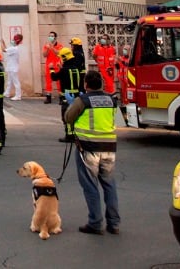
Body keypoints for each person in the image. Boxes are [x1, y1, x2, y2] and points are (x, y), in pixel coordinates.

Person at [64, 70, 121, 235]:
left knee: (90, 186)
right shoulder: (111, 100)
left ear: (86, 84)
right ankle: (114, 224)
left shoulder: (83, 100)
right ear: (101, 84)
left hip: (88, 148)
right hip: (109, 148)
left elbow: (68, 117)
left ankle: (95, 223)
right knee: (109, 185)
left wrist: (71, 104)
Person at [52, 46, 87, 142]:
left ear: (64, 58)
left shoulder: (64, 70)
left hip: (66, 97)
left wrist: (51, 69)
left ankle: (69, 135)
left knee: (66, 116)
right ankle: (75, 134)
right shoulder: (75, 69)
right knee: (75, 115)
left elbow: (54, 77)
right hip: (76, 96)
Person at [43, 32, 62, 104]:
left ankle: (61, 97)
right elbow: (44, 55)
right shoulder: (46, 46)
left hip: (57, 66)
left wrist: (52, 47)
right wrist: (47, 49)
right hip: (49, 66)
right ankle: (48, 97)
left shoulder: (60, 45)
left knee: (59, 82)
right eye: (49, 36)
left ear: (55, 37)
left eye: (52, 36)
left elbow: (58, 53)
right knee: (48, 82)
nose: (50, 37)